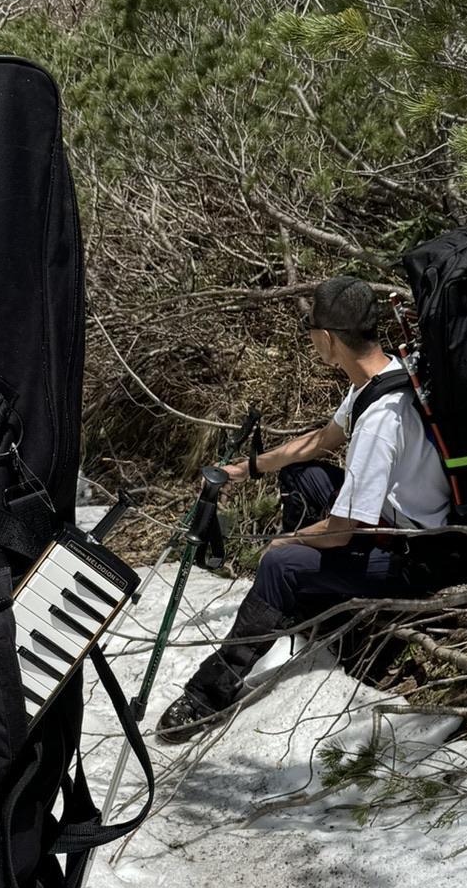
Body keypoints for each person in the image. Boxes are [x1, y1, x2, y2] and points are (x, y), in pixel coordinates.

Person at [156, 275, 451, 740]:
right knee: (302, 476)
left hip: (413, 560)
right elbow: (320, 441)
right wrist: (248, 468)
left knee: (281, 564)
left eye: (311, 330)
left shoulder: (381, 420)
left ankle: (208, 694)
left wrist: (286, 542)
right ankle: (311, 601)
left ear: (328, 339)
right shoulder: (382, 376)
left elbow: (340, 530)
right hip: (394, 525)